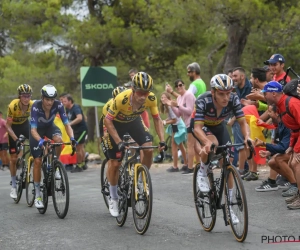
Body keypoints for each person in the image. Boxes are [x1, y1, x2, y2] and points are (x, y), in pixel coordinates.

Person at [104, 72, 165, 217]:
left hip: (133, 121)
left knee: (148, 148)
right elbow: (107, 121)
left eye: (146, 92)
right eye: (140, 92)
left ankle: (141, 178)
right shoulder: (121, 99)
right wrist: (118, 142)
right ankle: (113, 198)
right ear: (133, 88)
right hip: (115, 123)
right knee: (115, 163)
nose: (143, 96)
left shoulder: (151, 98)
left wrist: (162, 140)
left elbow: (157, 119)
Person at [193, 74, 250, 224]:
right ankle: (203, 171)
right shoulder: (203, 101)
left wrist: (247, 138)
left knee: (229, 160)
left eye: (228, 93)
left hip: (219, 126)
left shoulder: (233, 99)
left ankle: (229, 208)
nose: (226, 97)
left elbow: (243, 123)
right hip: (202, 126)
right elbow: (197, 128)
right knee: (212, 144)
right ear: (213, 92)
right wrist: (206, 142)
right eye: (221, 94)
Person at [30, 85, 76, 209]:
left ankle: (56, 164)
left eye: (52, 100)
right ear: (42, 98)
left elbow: (67, 124)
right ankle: (38, 195)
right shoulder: (35, 106)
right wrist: (40, 141)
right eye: (47, 99)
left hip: (50, 127)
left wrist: (72, 138)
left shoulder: (58, 105)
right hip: (37, 131)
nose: (50, 102)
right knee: (38, 161)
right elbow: (33, 129)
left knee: (58, 141)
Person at [262, 81, 300, 209]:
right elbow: (294, 128)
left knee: (296, 163)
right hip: (297, 136)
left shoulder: (292, 103)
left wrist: (297, 148)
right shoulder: (279, 106)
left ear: (273, 93)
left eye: (265, 93)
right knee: (290, 162)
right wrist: (291, 146)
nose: (264, 96)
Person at [254, 104, 293, 192]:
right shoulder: (279, 124)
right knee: (272, 162)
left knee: (279, 158)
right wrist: (269, 152)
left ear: (277, 113)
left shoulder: (286, 124)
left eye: (270, 112)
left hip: (295, 152)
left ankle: (294, 184)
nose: (268, 114)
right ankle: (292, 181)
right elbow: (280, 144)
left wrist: (264, 144)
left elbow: (283, 148)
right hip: (291, 150)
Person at [5, 84, 34, 199]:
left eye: (28, 96)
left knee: (36, 142)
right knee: (13, 158)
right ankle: (13, 184)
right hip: (13, 128)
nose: (26, 98)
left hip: (25, 125)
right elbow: (8, 126)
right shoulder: (13, 106)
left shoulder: (32, 105)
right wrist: (16, 139)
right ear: (19, 96)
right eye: (24, 96)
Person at [167, 79, 199, 174]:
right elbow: (179, 114)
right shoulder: (179, 98)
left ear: (184, 85)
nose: (179, 87)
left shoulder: (188, 95)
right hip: (188, 123)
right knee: (196, 146)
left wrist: (178, 106)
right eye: (177, 86)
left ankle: (190, 168)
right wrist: (172, 105)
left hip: (194, 120)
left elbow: (189, 111)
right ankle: (200, 165)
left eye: (180, 85)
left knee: (190, 145)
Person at [228, 67, 251, 175]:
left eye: (235, 76)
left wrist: (233, 119)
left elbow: (244, 107)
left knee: (241, 144)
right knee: (242, 144)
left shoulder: (249, 87)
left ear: (242, 76)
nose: (233, 78)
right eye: (232, 76)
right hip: (236, 118)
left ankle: (241, 170)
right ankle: (246, 167)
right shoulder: (235, 88)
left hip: (242, 119)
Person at [160, 92, 187, 172]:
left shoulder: (170, 106)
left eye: (165, 98)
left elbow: (174, 119)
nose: (163, 99)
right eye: (162, 98)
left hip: (177, 125)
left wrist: (165, 122)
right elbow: (171, 118)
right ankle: (186, 164)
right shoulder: (167, 107)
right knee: (180, 145)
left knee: (174, 146)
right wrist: (165, 120)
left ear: (169, 99)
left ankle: (175, 166)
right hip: (175, 125)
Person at [62, 95, 88, 173]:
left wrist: (70, 124)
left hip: (81, 130)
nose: (63, 103)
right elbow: (66, 117)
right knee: (80, 146)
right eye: (63, 102)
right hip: (75, 130)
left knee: (78, 146)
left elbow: (79, 118)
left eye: (65, 101)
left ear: (70, 101)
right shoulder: (67, 109)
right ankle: (83, 164)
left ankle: (79, 165)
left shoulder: (75, 108)